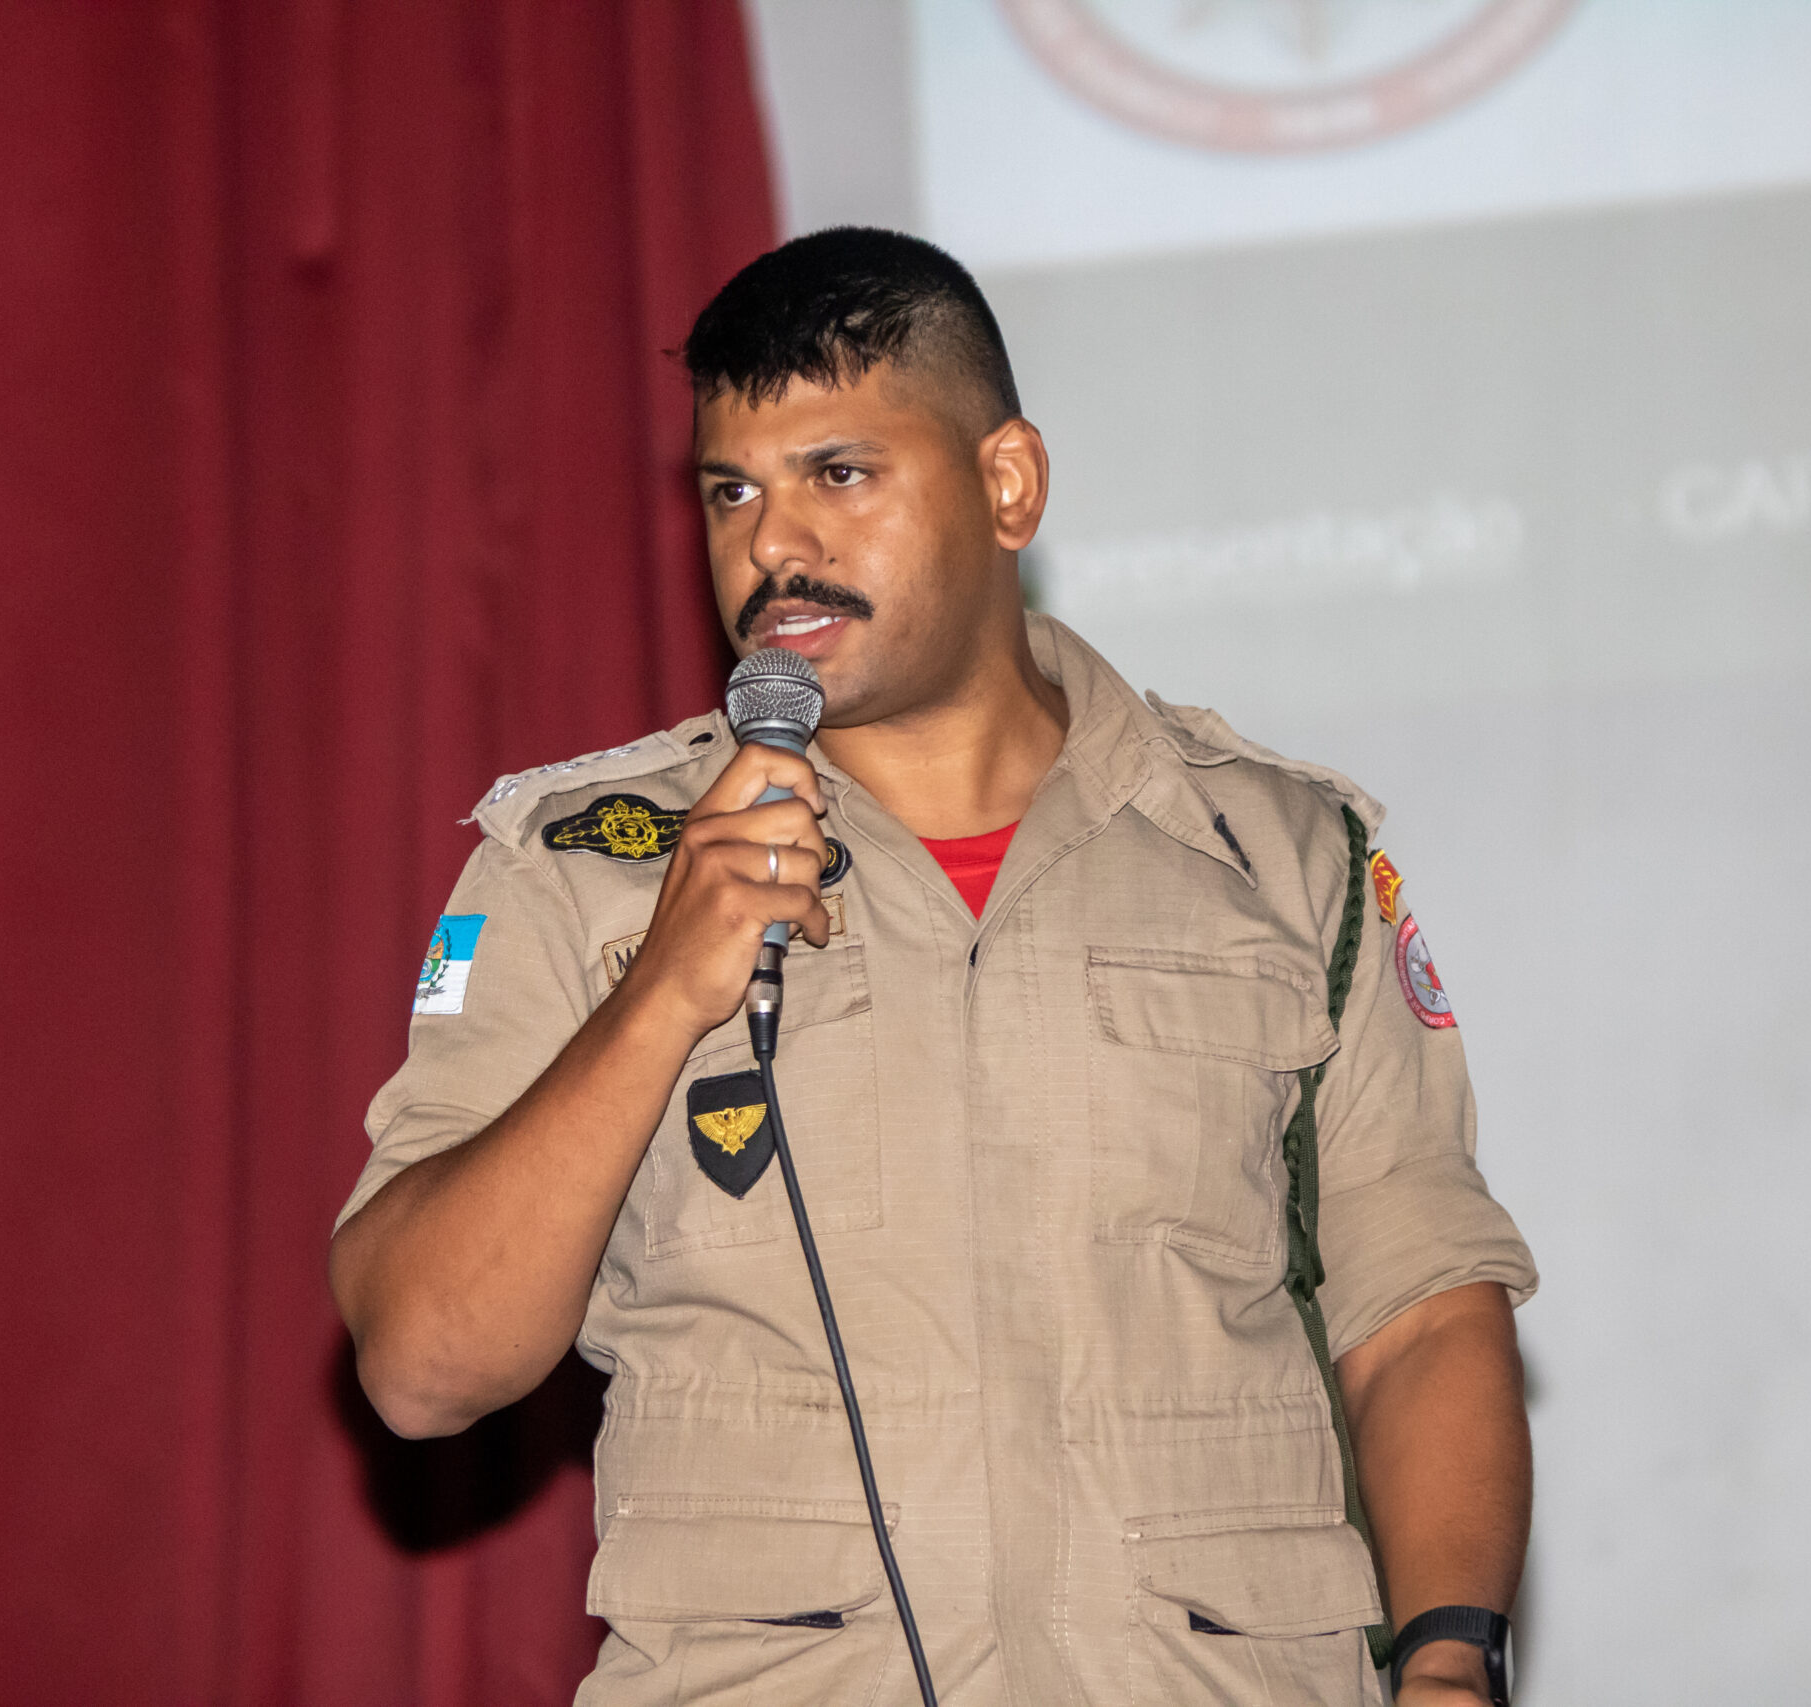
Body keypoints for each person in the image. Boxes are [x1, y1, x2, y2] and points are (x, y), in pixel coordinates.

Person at [330, 228, 1537, 1706]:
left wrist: (1448, 1663)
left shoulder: (1279, 855)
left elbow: (1422, 1312)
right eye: (731, 491)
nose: (775, 547)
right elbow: (421, 1363)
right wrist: (662, 989)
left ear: (1007, 483)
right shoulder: (583, 868)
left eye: (838, 474)